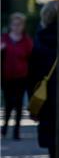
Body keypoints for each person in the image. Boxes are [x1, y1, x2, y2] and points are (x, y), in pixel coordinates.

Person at [27, 1, 58, 158]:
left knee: (54, 153)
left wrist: (34, 105)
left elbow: (33, 76)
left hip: (48, 103)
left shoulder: (40, 39)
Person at [2, 12, 34, 140]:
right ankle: (4, 127)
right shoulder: (4, 39)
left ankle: (16, 130)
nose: (17, 27)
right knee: (8, 102)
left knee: (19, 103)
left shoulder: (27, 41)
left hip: (21, 77)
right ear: (11, 25)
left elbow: (31, 58)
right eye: (14, 24)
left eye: (19, 24)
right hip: (6, 76)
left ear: (23, 26)